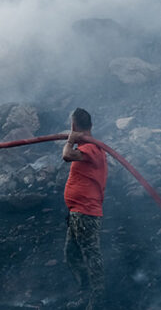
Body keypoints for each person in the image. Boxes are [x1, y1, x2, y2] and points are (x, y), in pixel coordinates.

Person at [62, 108, 108, 310]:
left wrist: (70, 140)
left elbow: (66, 155)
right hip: (77, 212)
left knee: (91, 256)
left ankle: (97, 301)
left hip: (86, 212)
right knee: (71, 253)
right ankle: (85, 292)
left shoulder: (90, 148)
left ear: (73, 126)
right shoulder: (90, 147)